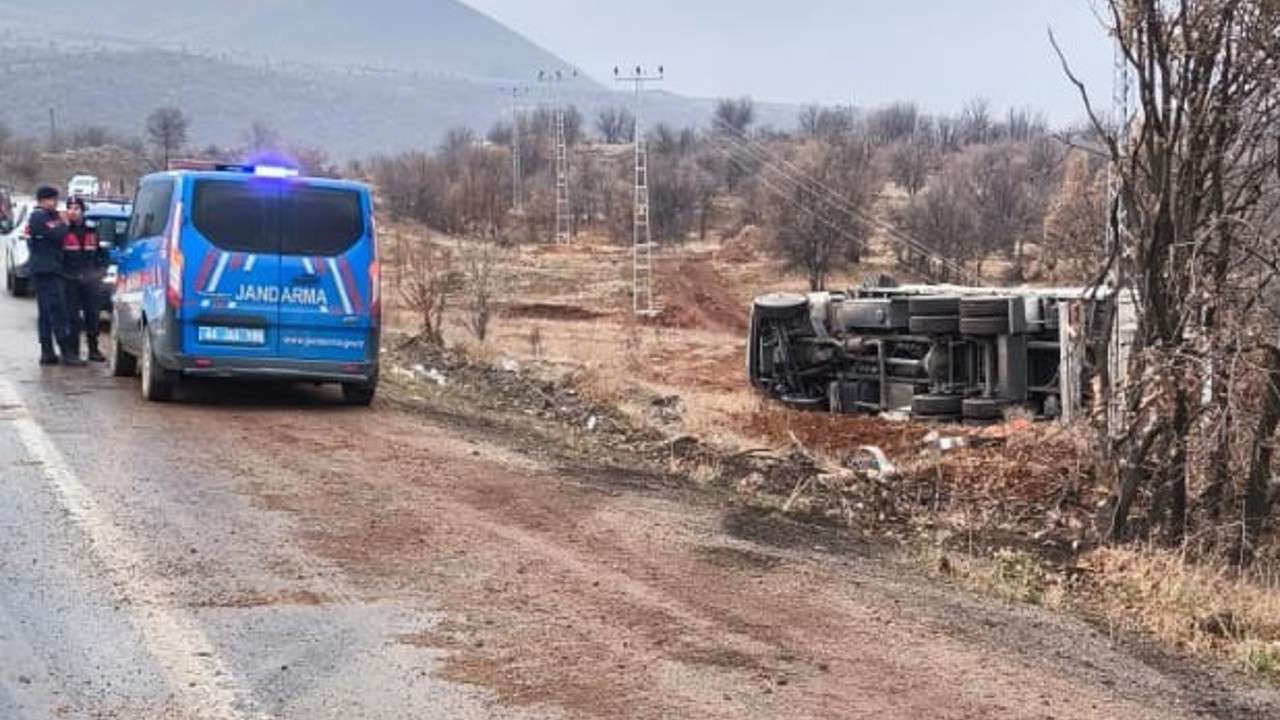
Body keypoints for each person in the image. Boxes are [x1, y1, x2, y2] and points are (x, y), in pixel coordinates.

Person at [26, 186, 85, 366]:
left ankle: (48, 352)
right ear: (43, 200)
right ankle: (65, 353)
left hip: (50, 269)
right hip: (47, 270)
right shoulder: (39, 216)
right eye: (52, 199)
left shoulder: (49, 216)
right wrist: (65, 222)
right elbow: (57, 234)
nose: (55, 203)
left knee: (48, 312)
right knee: (56, 311)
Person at [62, 197, 106, 362]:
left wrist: (100, 272)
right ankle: (73, 351)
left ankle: (93, 350)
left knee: (92, 315)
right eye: (70, 208)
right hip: (69, 280)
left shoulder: (92, 231)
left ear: (83, 211)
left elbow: (102, 254)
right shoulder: (63, 231)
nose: (73, 211)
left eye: (76, 208)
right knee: (72, 317)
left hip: (90, 280)